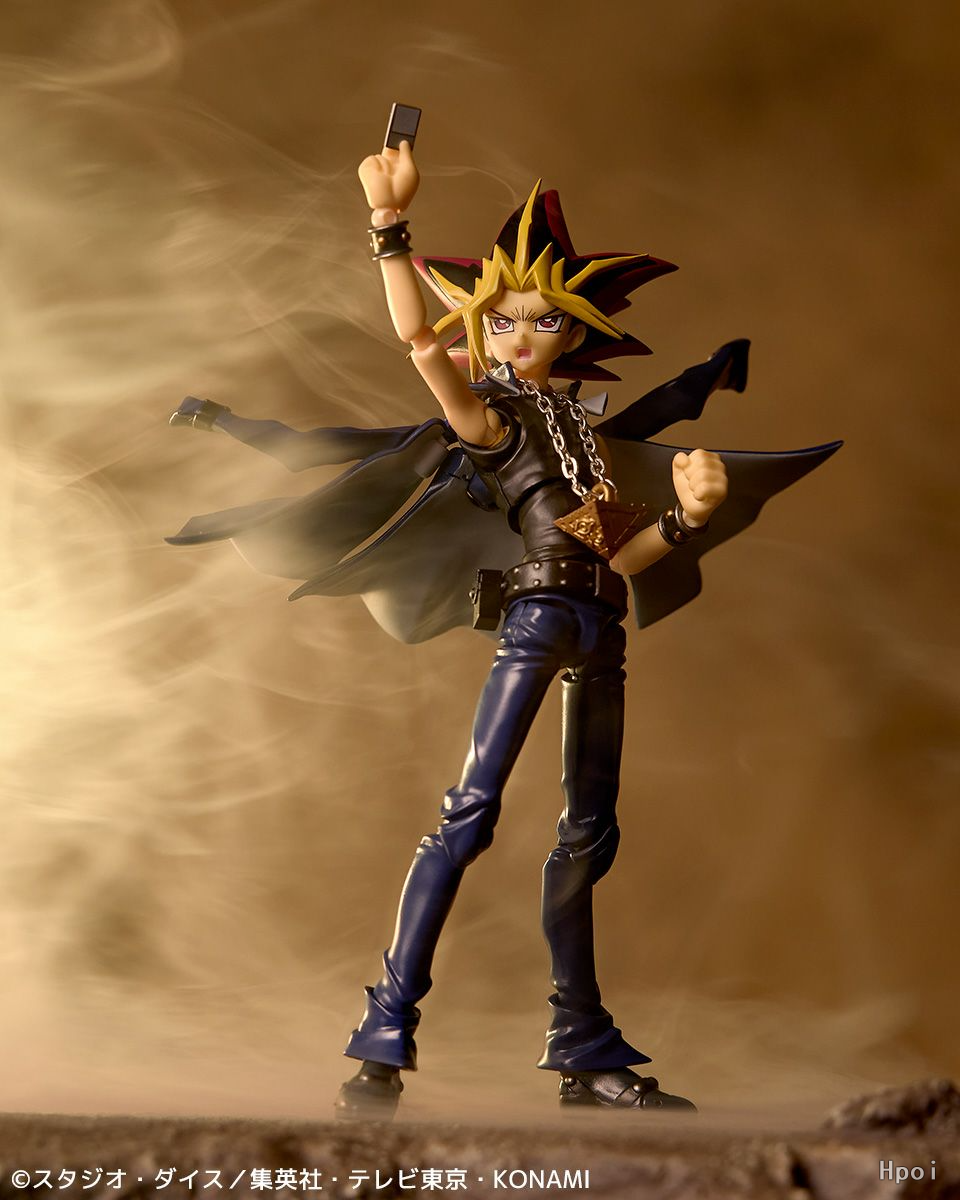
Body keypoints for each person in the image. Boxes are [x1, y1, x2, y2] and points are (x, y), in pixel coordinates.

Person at [167, 123, 840, 1120]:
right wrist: (388, 225)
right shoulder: (492, 422)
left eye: (543, 321)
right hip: (536, 620)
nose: (522, 336)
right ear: (484, 326)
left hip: (599, 631)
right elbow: (419, 345)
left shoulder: (580, 441)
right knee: (470, 814)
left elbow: (624, 554)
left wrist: (689, 519)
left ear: (573, 332)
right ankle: (382, 1039)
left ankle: (584, 1051)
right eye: (506, 320)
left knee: (588, 835)